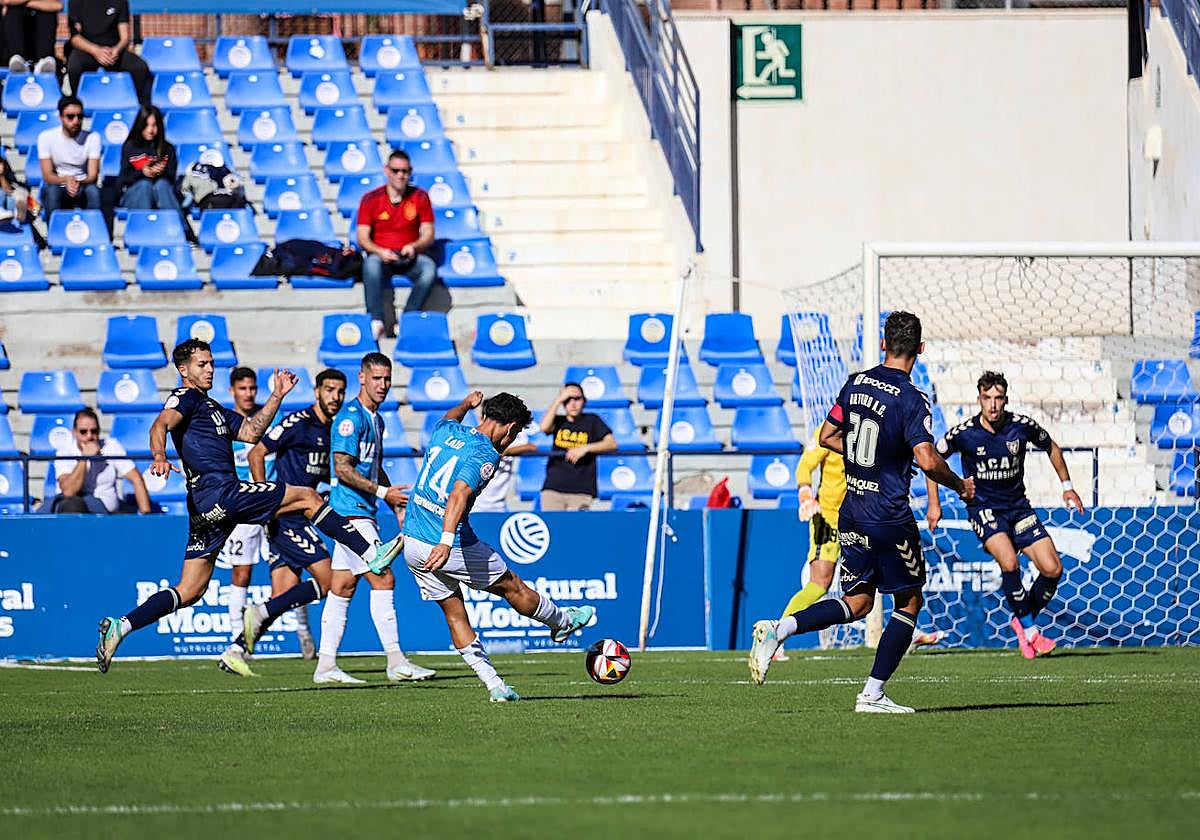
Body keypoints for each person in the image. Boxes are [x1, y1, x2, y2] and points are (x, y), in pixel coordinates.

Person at [95, 339, 405, 675]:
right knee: (307, 496)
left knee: (191, 590)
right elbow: (160, 424)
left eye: (211, 363)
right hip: (222, 492)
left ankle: (122, 625)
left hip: (206, 508)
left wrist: (276, 395)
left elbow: (251, 432)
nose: (210, 369)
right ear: (183, 370)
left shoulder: (212, 408)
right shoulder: (185, 397)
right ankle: (370, 552)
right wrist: (159, 455)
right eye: (202, 364)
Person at [748, 311, 974, 713]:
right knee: (908, 602)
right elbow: (926, 458)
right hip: (888, 515)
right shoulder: (912, 397)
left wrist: (863, 456)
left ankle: (780, 628)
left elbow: (827, 436)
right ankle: (872, 694)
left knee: (858, 603)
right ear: (920, 349)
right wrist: (959, 485)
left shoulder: (855, 383)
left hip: (851, 511)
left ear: (883, 344)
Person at [403, 390, 595, 702]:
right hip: (448, 544)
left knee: (455, 613)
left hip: (412, 541)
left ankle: (496, 686)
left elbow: (450, 416)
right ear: (510, 427)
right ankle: (563, 622)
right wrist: (446, 542)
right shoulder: (485, 454)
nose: (512, 440)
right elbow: (458, 494)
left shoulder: (445, 430)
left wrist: (466, 403)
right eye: (515, 434)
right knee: (512, 587)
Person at [926, 370, 1083, 659]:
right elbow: (931, 461)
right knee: (1009, 562)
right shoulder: (964, 434)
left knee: (1053, 569)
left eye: (998, 398)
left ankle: (1022, 620)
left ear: (1006, 399)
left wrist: (1067, 487)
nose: (993, 405)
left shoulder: (1021, 427)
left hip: (1019, 508)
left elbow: (1051, 446)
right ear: (979, 400)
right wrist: (934, 504)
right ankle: (1032, 632)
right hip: (984, 509)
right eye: (987, 398)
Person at [314, 352, 434, 684]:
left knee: (342, 586)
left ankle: (325, 665)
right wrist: (383, 493)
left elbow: (373, 466)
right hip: (350, 512)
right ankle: (396, 661)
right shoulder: (350, 418)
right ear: (362, 378)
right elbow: (342, 468)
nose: (382, 385)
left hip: (361, 510)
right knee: (383, 578)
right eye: (376, 378)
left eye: (387, 379)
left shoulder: (376, 419)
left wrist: (394, 503)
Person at [220, 369, 349, 674]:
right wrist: (264, 499)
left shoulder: (331, 429)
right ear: (316, 391)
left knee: (282, 597)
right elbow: (257, 453)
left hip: (297, 516)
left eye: (340, 391)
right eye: (329, 390)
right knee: (331, 581)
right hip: (287, 515)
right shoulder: (299, 422)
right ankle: (259, 612)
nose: (335, 397)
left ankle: (235, 651)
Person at [773, 429, 942, 662]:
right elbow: (804, 466)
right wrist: (805, 495)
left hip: (863, 516)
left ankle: (906, 633)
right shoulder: (829, 429)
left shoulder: (869, 426)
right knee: (819, 584)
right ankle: (776, 636)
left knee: (886, 577)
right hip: (829, 519)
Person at [218, 368, 276, 662]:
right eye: (242, 388)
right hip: (243, 507)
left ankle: (305, 636)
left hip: (275, 504)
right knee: (241, 573)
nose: (249, 393)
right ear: (232, 391)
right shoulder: (226, 425)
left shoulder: (269, 419)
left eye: (252, 388)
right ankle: (236, 640)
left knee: (290, 567)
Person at [356, 149, 436, 339]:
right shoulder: (371, 199)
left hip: (408, 256)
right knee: (370, 264)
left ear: (410, 172)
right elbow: (362, 237)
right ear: (387, 170)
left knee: (429, 268)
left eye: (405, 171)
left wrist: (415, 246)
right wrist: (380, 251)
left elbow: (429, 232)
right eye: (395, 170)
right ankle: (376, 320)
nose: (400, 175)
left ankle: (407, 321)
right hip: (382, 257)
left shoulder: (420, 197)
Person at [39, 407, 152, 515]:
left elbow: (136, 479)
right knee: (72, 504)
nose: (89, 436)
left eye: (94, 431)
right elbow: (69, 491)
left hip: (104, 513)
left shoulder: (111, 446)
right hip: (74, 509)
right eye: (83, 432)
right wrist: (84, 458)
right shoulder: (65, 452)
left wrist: (145, 514)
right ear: (74, 432)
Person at [538, 382, 617, 511]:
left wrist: (585, 448)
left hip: (581, 489)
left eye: (577, 399)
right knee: (552, 523)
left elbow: (612, 443)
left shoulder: (592, 420)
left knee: (575, 524)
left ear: (584, 401)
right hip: (553, 488)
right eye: (568, 399)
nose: (573, 404)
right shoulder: (558, 421)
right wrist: (558, 400)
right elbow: (543, 428)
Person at [65, 0, 151, 105]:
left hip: (113, 51)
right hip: (88, 49)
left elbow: (125, 37)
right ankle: (78, 103)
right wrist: (96, 51)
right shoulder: (76, 2)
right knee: (74, 67)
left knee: (139, 67)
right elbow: (75, 38)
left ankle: (132, 103)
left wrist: (116, 49)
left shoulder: (120, 2)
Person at [38, 95, 102, 219]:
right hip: (58, 184)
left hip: (83, 183)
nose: (76, 121)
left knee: (93, 192)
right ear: (61, 117)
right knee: (52, 192)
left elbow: (92, 175)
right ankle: (54, 229)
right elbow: (47, 175)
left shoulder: (93, 137)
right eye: (70, 116)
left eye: (80, 116)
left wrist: (76, 182)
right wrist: (66, 180)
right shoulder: (46, 137)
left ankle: (94, 226)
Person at [118, 105, 183, 213]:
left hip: (161, 193)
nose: (150, 130)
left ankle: (177, 222)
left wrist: (160, 172)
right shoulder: (130, 147)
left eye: (154, 125)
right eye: (146, 125)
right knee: (145, 186)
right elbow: (124, 177)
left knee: (162, 185)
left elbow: (172, 178)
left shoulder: (168, 148)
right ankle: (143, 222)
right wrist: (142, 172)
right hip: (135, 194)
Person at [471, 427, 535, 513]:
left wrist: (505, 452)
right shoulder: (475, 438)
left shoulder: (508, 439)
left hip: (499, 506)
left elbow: (532, 447)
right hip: (476, 505)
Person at [3, 0, 61, 75]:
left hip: (41, 42)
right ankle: (17, 59)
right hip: (14, 42)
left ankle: (43, 62)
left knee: (47, 12)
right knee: (13, 10)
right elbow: (6, 1)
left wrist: (24, 3)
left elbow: (57, 5)